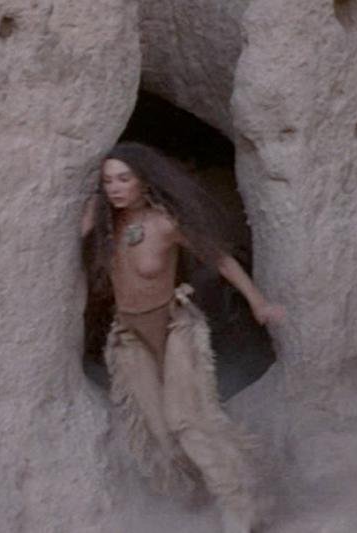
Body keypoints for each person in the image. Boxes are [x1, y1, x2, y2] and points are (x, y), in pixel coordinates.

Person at [81, 142, 285, 533]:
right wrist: (88, 218)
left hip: (175, 328)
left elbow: (219, 257)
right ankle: (194, 491)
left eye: (124, 178)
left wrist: (258, 302)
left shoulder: (165, 223)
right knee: (158, 430)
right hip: (129, 336)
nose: (115, 188)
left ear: (143, 181)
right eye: (107, 181)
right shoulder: (107, 227)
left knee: (188, 421)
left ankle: (240, 505)